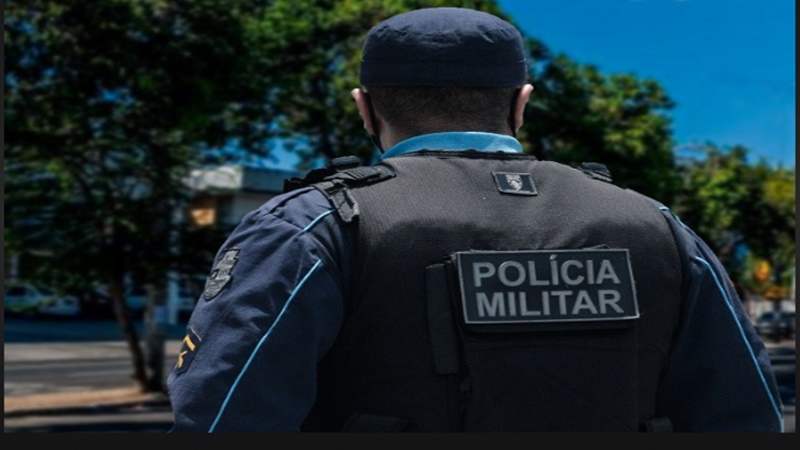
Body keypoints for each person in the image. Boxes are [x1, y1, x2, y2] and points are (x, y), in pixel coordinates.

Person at [167, 7, 784, 432]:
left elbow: (222, 415)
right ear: (521, 103)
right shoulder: (657, 226)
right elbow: (744, 413)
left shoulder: (314, 227)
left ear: (365, 108)